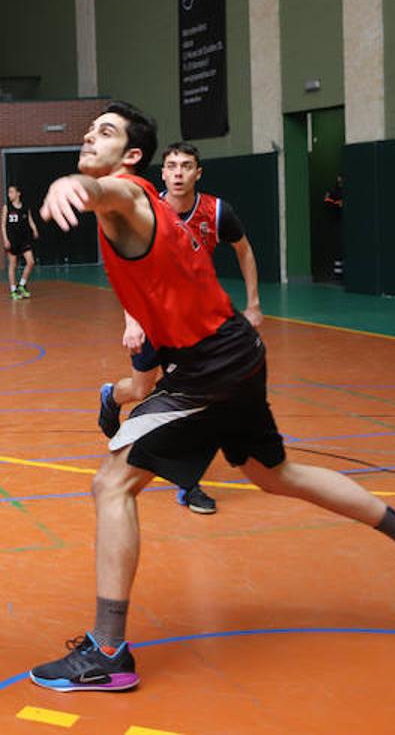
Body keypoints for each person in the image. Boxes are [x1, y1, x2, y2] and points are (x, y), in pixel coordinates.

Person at [28, 101, 395, 694]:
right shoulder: (148, 204)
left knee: (113, 483)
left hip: (209, 363)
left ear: (131, 156)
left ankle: (108, 650)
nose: (87, 136)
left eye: (103, 132)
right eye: (87, 130)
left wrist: (69, 183)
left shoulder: (126, 194)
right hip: (232, 350)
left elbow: (104, 195)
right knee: (275, 474)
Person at [98, 141, 264, 514]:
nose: (177, 173)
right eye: (171, 166)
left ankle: (190, 486)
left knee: (197, 401)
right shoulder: (144, 211)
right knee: (140, 388)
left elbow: (245, 250)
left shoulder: (217, 212)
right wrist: (131, 320)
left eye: (186, 166)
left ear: (197, 173)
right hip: (150, 319)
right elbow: (125, 272)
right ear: (162, 173)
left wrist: (253, 305)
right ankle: (112, 396)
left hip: (193, 328)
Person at [1, 184, 39, 299]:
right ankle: (13, 290)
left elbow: (30, 220)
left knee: (31, 261)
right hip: (12, 240)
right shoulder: (7, 207)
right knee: (13, 265)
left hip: (24, 239)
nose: (9, 195)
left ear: (18, 193)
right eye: (8, 192)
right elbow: (3, 225)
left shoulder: (25, 207)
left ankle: (22, 285)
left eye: (12, 192)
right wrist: (5, 239)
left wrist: (35, 229)